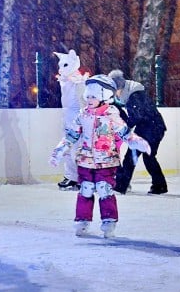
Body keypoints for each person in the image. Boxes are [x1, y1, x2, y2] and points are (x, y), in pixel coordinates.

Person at [49, 75, 151, 238]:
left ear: (103, 96)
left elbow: (125, 133)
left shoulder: (111, 115)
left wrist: (136, 142)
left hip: (107, 161)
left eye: (93, 96)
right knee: (86, 190)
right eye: (87, 96)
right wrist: (59, 151)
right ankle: (82, 221)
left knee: (104, 190)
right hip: (85, 161)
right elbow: (71, 135)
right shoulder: (83, 115)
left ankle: (109, 221)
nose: (89, 99)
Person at [108, 69, 168, 195]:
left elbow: (137, 116)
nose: (115, 94)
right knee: (146, 158)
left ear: (119, 86)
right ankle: (159, 185)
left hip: (151, 129)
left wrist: (124, 127)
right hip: (151, 128)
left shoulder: (135, 95)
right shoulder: (130, 93)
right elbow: (134, 116)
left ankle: (121, 186)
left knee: (133, 158)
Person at [53, 50, 88, 191]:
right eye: (60, 66)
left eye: (65, 65)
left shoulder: (79, 83)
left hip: (77, 121)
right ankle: (71, 177)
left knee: (78, 150)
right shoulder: (66, 82)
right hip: (67, 120)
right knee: (68, 150)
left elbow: (84, 103)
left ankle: (82, 177)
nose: (61, 69)